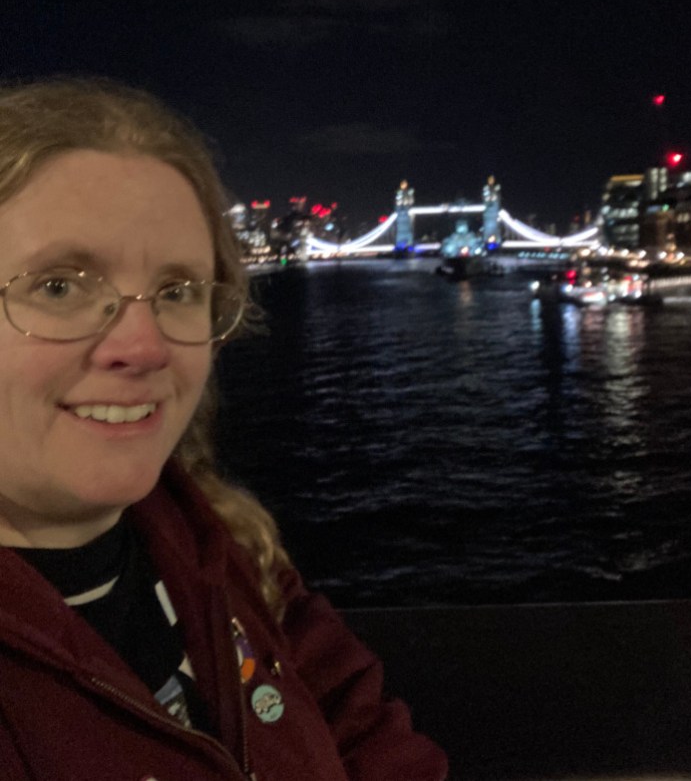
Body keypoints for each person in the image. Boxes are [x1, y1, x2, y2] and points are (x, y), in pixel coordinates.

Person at [0, 77, 449, 781]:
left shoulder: (225, 548)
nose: (144, 347)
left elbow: (365, 734)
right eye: (58, 286)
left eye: (179, 292)